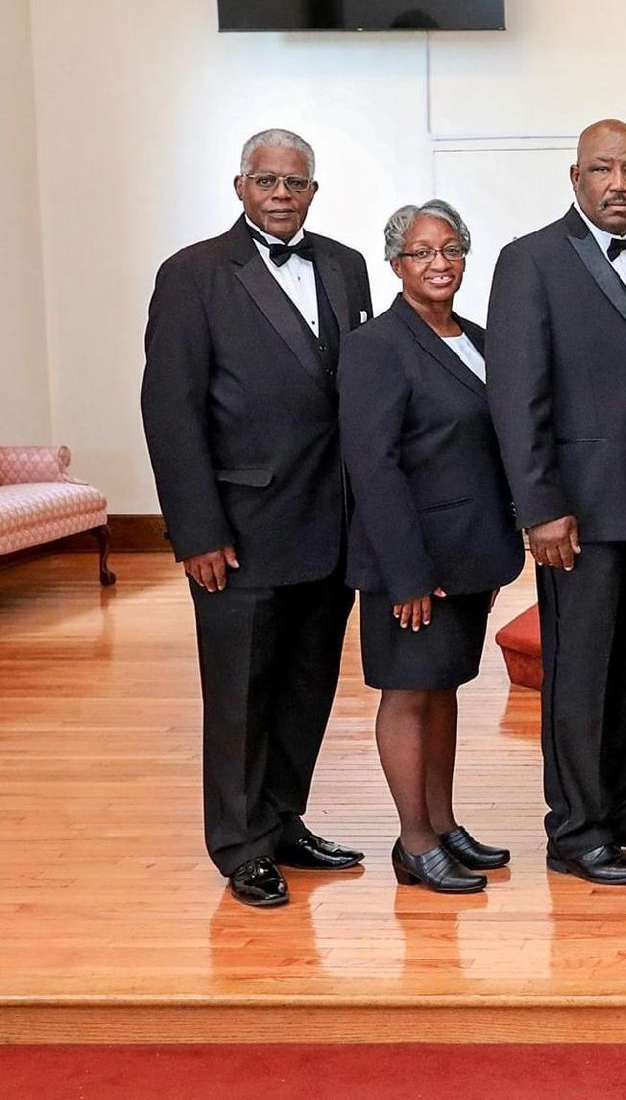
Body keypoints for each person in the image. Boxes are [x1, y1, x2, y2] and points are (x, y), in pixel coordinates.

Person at [140, 127, 374, 908]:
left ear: (314, 191)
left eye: (296, 183)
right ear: (239, 186)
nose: (281, 194)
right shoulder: (193, 275)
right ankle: (240, 846)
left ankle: (283, 822)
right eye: (266, 180)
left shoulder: (345, 265)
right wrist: (197, 531)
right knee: (240, 696)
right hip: (238, 533)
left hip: (330, 525)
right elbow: (170, 412)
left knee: (308, 690)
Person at [486, 119, 626, 886]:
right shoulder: (531, 260)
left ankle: (620, 803)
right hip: (581, 511)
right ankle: (576, 830)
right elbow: (518, 395)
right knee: (580, 673)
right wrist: (540, 507)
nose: (620, 185)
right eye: (604, 170)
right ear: (575, 177)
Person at [338, 200, 525, 894]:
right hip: (410, 562)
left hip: (471, 553)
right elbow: (373, 464)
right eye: (421, 252)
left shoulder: (475, 337)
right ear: (396, 264)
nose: (439, 263)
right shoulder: (375, 346)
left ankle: (443, 824)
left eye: (450, 249)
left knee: (442, 689)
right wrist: (407, 574)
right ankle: (414, 840)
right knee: (408, 693)